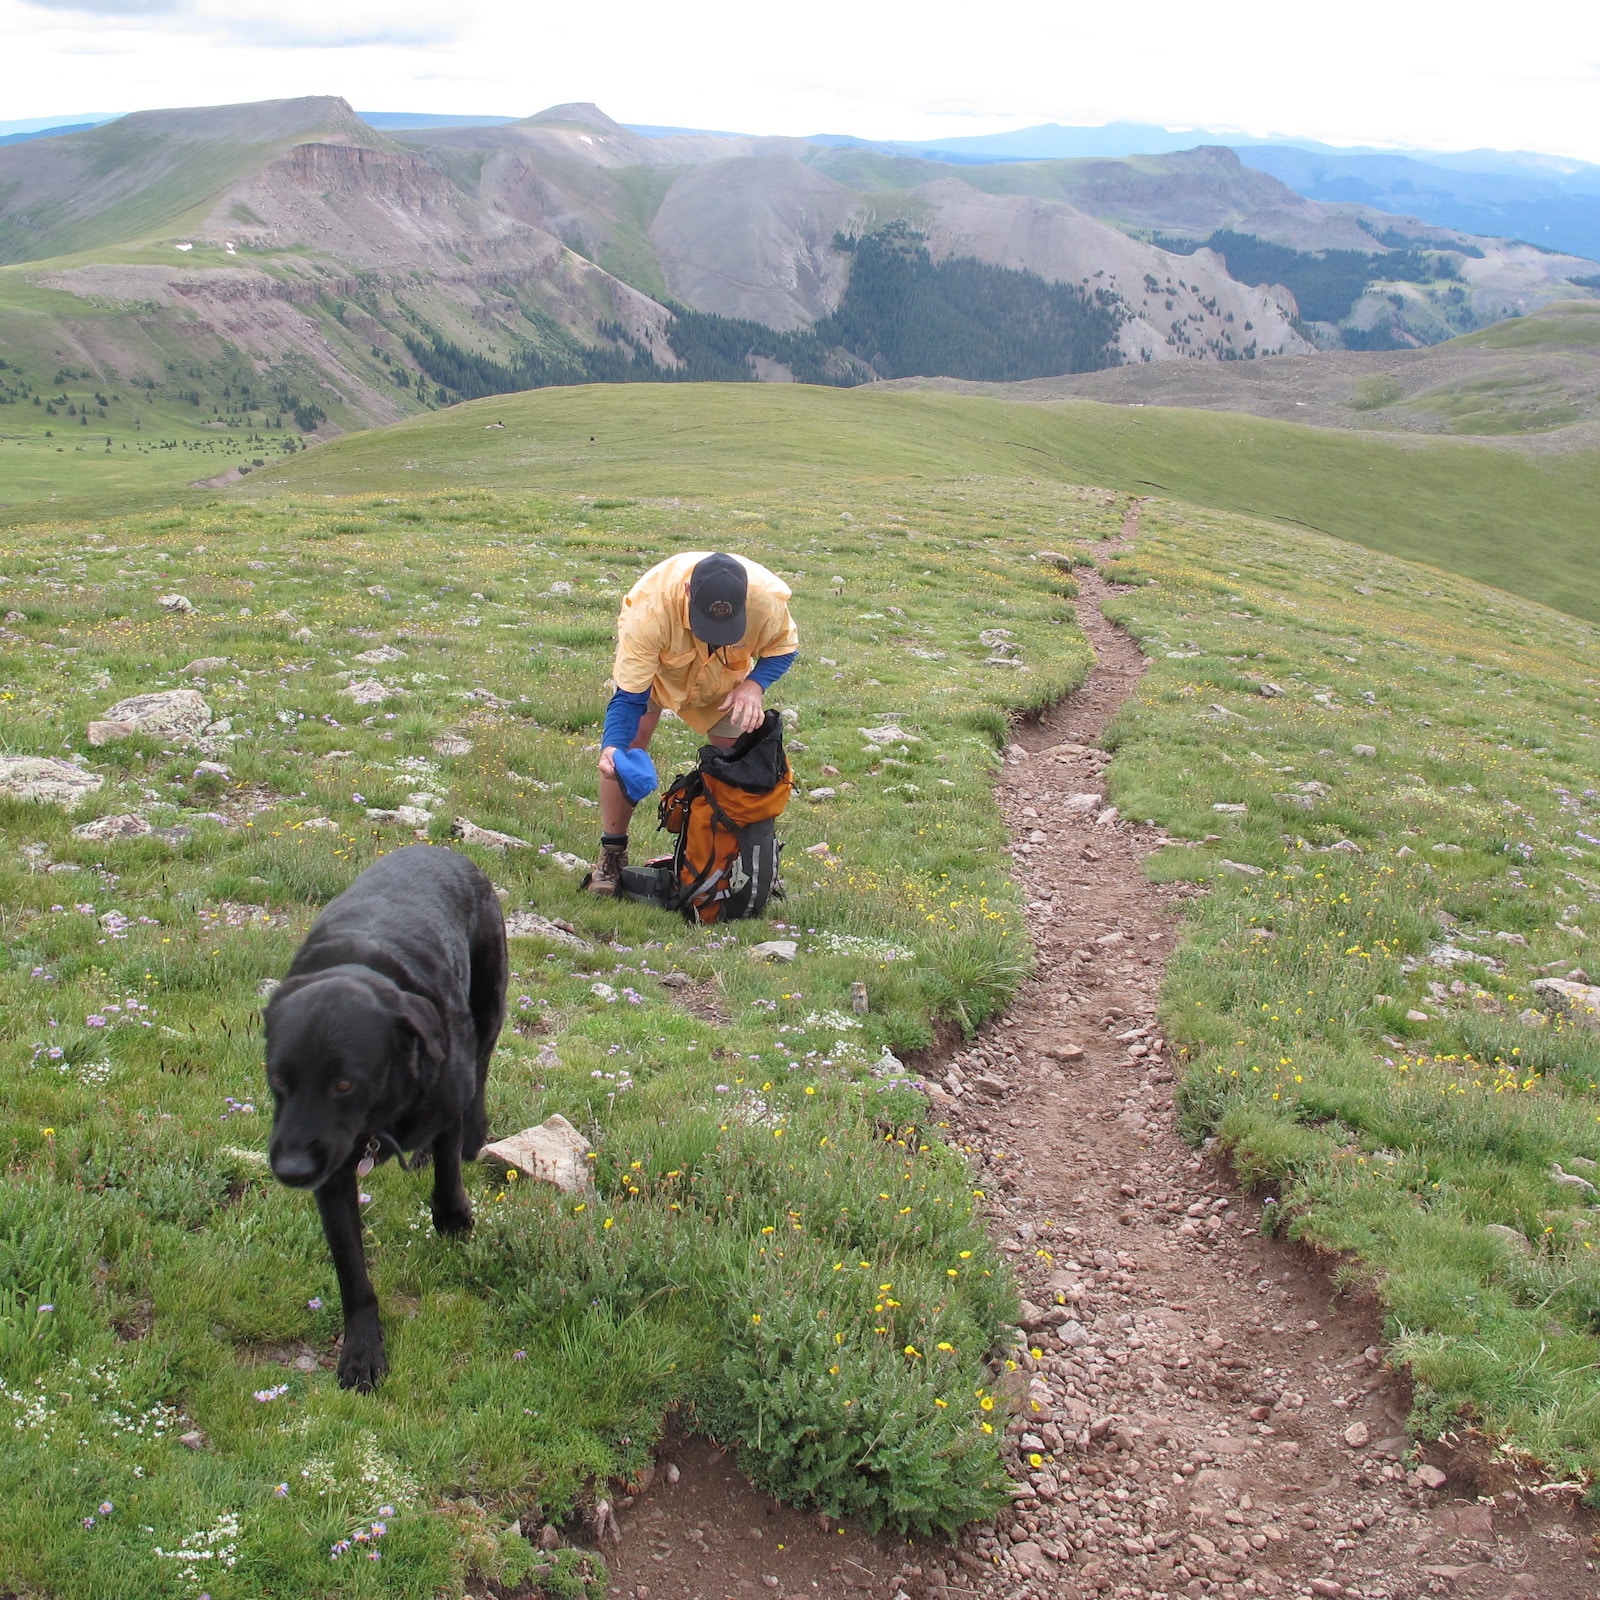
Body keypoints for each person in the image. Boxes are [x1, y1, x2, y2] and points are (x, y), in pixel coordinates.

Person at [587, 551, 798, 895]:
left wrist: (753, 686)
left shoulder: (766, 602)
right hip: (657, 675)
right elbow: (629, 698)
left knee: (739, 764)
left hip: (724, 682)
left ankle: (748, 862)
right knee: (623, 755)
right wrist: (612, 747)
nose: (714, 636)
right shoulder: (650, 611)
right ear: (687, 590)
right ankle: (612, 855)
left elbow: (784, 648)